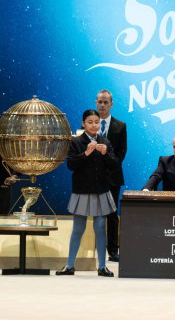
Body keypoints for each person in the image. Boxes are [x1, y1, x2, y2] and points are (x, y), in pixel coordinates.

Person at [56, 109, 117, 277]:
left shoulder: (105, 141)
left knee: (99, 228)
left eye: (96, 122)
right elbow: (70, 165)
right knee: (78, 229)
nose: (93, 125)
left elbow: (114, 165)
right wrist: (86, 153)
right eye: (90, 122)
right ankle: (69, 266)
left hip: (101, 191)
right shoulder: (76, 142)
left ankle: (102, 266)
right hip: (82, 191)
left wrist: (105, 154)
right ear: (83, 123)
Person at [96, 89, 127, 263]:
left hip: (113, 177)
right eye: (99, 101)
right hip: (91, 177)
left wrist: (108, 163)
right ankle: (93, 252)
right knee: (93, 213)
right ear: (96, 103)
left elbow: (122, 153)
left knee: (112, 214)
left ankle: (113, 251)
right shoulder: (89, 123)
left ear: (111, 104)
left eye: (105, 102)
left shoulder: (120, 126)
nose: (102, 105)